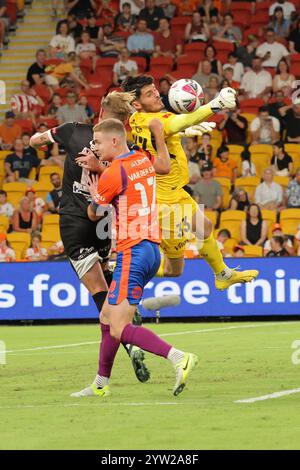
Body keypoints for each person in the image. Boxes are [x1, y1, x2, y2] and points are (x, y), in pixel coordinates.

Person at [29, 90, 174, 385]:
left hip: (77, 223)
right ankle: (130, 322)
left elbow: (36, 140)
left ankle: (129, 340)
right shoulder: (126, 150)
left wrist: (42, 142)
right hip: (107, 227)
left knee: (102, 299)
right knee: (116, 289)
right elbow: (155, 168)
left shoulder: (73, 131)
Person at [71, 117, 198, 398]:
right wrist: (158, 135)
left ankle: (179, 357)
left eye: (99, 143)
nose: (96, 147)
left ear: (115, 140)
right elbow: (163, 165)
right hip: (152, 249)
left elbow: (94, 213)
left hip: (133, 250)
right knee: (106, 316)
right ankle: (100, 384)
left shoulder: (112, 173)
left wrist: (95, 192)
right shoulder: (141, 159)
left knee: (118, 327)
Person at [122, 75, 258, 285]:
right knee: (174, 270)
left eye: (155, 89)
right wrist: (216, 104)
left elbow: (166, 131)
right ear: (136, 103)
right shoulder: (156, 121)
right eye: (149, 94)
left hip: (174, 192)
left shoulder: (136, 119)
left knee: (205, 227)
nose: (157, 94)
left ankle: (223, 275)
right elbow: (177, 121)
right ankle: (123, 267)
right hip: (164, 204)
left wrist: (183, 132)